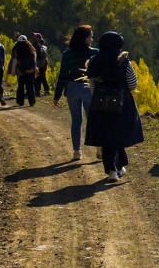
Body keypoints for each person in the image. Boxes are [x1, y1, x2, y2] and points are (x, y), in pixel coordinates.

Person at [84, 30, 143, 179]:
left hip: (100, 103)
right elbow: (132, 84)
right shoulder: (123, 61)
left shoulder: (94, 61)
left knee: (106, 135)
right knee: (118, 134)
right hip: (121, 103)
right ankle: (119, 166)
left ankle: (112, 170)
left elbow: (91, 86)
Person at [53, 24, 96, 161]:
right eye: (90, 36)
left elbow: (63, 75)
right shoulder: (94, 52)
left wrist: (57, 95)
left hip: (72, 88)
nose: (92, 38)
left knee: (76, 121)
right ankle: (99, 146)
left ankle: (77, 151)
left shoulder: (67, 54)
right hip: (88, 87)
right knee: (93, 120)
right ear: (85, 38)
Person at [8, 31, 40, 107]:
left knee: (21, 86)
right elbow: (34, 60)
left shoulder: (17, 49)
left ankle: (20, 102)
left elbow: (14, 60)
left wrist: (13, 71)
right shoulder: (31, 49)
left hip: (20, 71)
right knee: (30, 86)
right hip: (30, 70)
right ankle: (32, 101)